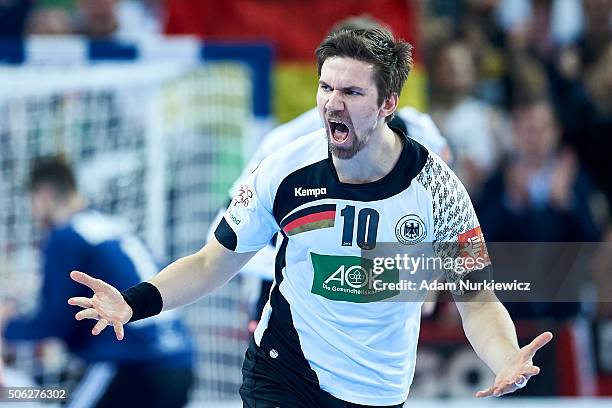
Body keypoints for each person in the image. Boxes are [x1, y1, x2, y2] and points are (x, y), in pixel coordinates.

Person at [69, 28, 552, 407]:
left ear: (388, 104)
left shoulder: (438, 191)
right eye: (325, 87)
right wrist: (134, 304)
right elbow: (211, 263)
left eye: (352, 92)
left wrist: (505, 357)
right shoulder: (284, 169)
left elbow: (478, 300)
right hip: (284, 369)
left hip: (377, 388)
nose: (332, 103)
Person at [2, 157, 194, 408]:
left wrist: (8, 327)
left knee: (36, 398)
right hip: (180, 364)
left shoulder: (65, 236)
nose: (32, 213)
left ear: (44, 195)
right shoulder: (115, 228)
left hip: (127, 367)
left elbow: (58, 321)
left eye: (31, 202)